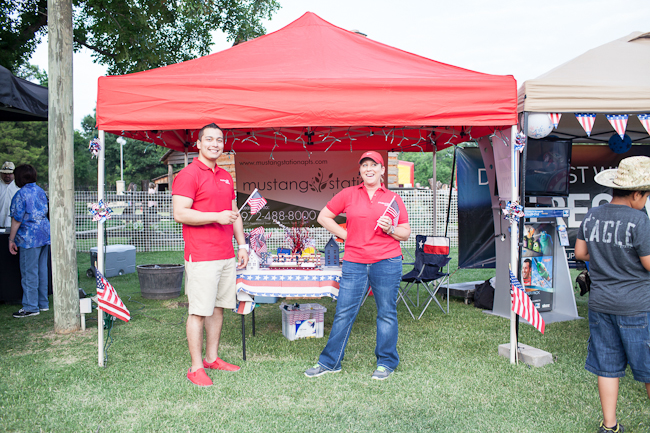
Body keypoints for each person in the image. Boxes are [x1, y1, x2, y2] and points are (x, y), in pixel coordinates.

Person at [305, 151, 410, 381]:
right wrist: (346, 235)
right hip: (355, 262)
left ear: (383, 170)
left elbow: (405, 233)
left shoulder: (393, 198)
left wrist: (391, 229)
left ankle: (386, 363)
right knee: (343, 312)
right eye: (365, 166)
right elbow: (324, 217)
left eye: (374, 165)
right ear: (360, 171)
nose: (369, 169)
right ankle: (330, 362)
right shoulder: (349, 194)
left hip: (387, 261)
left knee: (387, 314)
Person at [574, 156, 650, 433]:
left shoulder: (594, 214)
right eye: (647, 195)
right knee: (648, 366)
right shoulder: (639, 220)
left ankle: (610, 426)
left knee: (607, 366)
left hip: (601, 303)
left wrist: (607, 256)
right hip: (637, 305)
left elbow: (581, 253)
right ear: (637, 193)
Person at [172, 123, 249, 387]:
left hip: (226, 254)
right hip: (202, 254)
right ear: (199, 143)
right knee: (199, 310)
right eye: (209, 139)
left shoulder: (226, 175)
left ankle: (212, 357)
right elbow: (180, 213)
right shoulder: (188, 174)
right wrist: (216, 217)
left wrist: (242, 245)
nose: (215, 144)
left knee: (218, 308)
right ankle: (195, 368)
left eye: (219, 140)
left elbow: (233, 211)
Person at [8, 164, 50, 318]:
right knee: (42, 270)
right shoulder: (40, 191)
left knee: (29, 271)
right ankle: (43, 303)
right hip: (45, 234)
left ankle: (31, 307)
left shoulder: (21, 194)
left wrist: (11, 239)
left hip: (29, 238)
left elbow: (16, 219)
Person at [0, 161, 19, 228]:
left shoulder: (18, 187)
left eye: (10, 174)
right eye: (5, 173)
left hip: (13, 224)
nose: (7, 175)